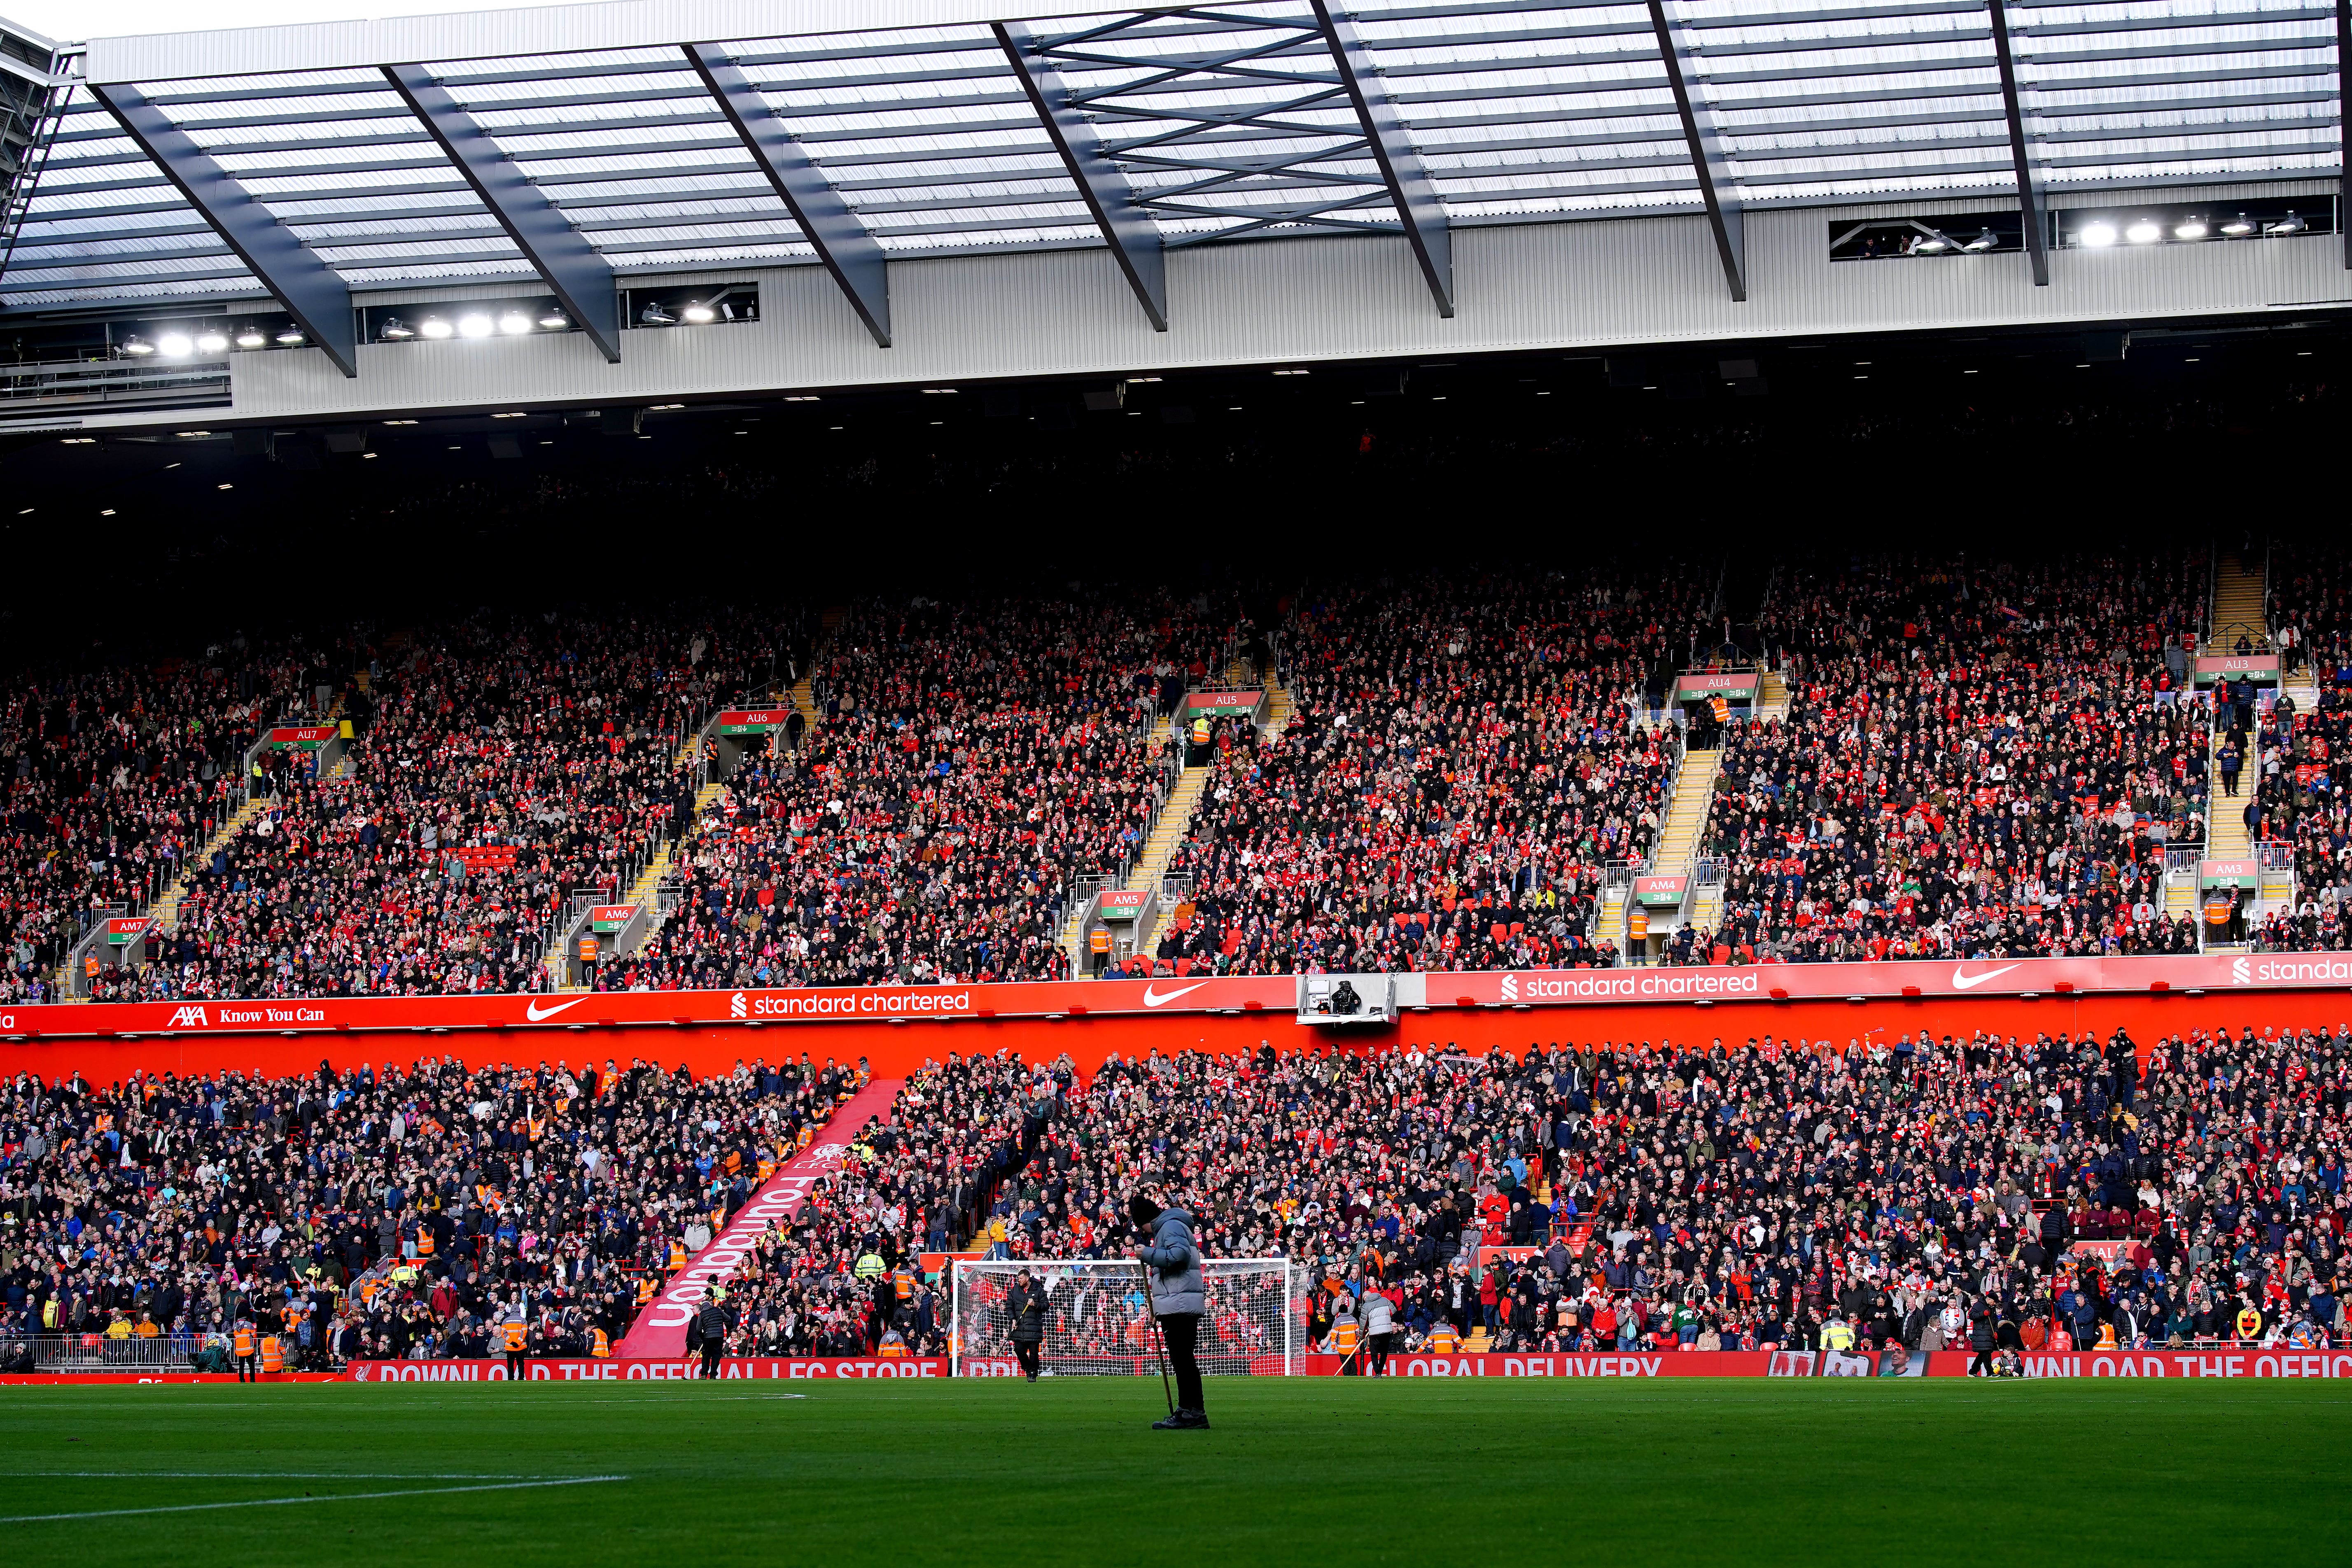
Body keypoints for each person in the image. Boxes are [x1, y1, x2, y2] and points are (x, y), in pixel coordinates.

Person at [1131, 1177, 1208, 1430]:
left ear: (1146, 1222)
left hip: (1180, 1303)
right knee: (1183, 1359)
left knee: (1183, 1360)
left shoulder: (1170, 1227)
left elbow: (1179, 1256)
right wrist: (1158, 1310)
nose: (1143, 1233)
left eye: (1141, 1228)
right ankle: (1191, 1411)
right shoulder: (1172, 1225)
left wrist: (1148, 1254)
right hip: (1177, 1302)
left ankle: (1191, 1412)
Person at [1006, 1268, 1047, 1382]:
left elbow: (1046, 1306)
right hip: (1019, 1327)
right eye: (1018, 1278)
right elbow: (1009, 1305)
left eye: (1020, 1278)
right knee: (1019, 1350)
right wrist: (1013, 1319)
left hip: (1034, 1327)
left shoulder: (1039, 1290)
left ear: (1027, 1278)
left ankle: (1033, 1373)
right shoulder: (1015, 1290)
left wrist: (1035, 1304)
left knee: (1034, 1353)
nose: (1018, 1280)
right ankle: (1028, 1369)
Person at [695, 1289, 730, 1379]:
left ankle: (704, 1374)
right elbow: (728, 1319)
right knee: (716, 1355)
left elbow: (698, 1329)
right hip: (719, 1336)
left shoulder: (702, 1314)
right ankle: (713, 1374)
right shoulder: (717, 1310)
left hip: (708, 1336)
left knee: (706, 1355)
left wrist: (703, 1337)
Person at [502, 1309, 529, 1380]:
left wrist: (511, 1342)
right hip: (520, 1347)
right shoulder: (523, 1320)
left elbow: (504, 1334)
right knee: (521, 1364)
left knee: (510, 1364)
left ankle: (511, 1378)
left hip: (510, 1347)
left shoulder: (505, 1321)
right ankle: (521, 1378)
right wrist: (518, 1343)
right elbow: (524, 1333)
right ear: (519, 1311)